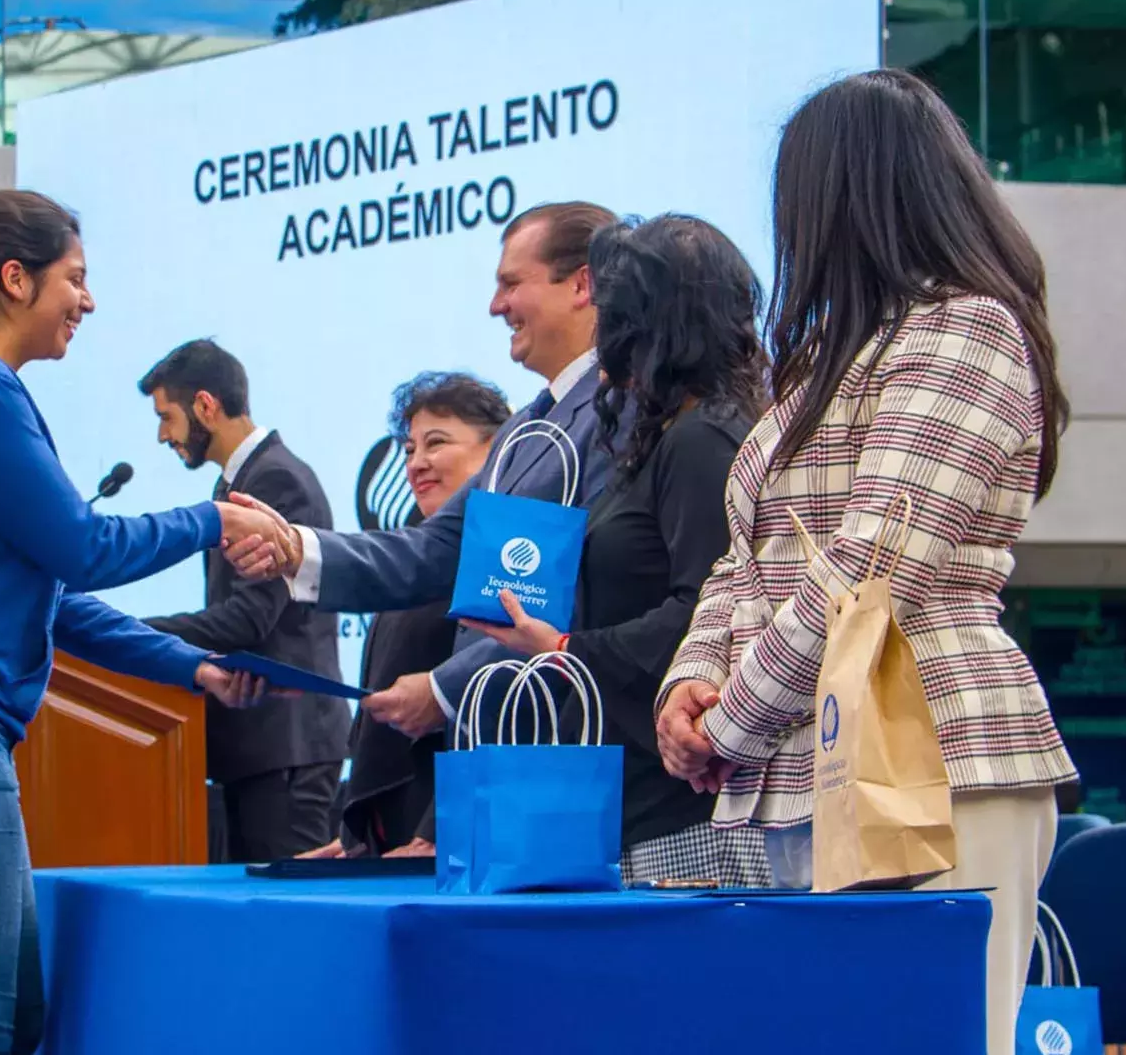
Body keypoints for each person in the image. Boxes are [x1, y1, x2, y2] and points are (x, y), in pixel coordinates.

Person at [653, 69, 1075, 1055]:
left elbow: (873, 567)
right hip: (794, 770)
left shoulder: (968, 327)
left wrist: (733, 719)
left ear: (845, 197)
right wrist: (695, 679)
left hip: (939, 758)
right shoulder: (817, 367)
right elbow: (743, 561)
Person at [0, 188, 285, 1055]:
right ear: (15, 279)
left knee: (19, 1017)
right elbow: (81, 547)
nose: (89, 299)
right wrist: (213, 518)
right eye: (76, 278)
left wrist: (193, 669)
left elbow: (54, 595)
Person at [227, 201, 623, 743]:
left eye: (510, 283)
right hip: (499, 747)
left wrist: (445, 689)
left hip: (571, 744)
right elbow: (434, 550)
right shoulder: (526, 427)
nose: (495, 305)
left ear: (581, 285)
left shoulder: (620, 409)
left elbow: (585, 589)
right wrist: (296, 547)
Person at [457, 214, 773, 886]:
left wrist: (567, 651)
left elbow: (706, 612)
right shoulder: (671, 432)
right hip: (634, 794)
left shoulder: (702, 440)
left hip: (677, 809)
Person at [138, 339, 351, 862]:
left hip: (286, 745)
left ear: (205, 405)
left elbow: (250, 618)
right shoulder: (235, 482)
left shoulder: (274, 479)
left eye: (167, 417)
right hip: (259, 746)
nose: (163, 434)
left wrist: (132, 634)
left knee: (292, 926)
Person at [299, 372, 510, 860]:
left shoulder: (504, 551)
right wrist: (354, 834)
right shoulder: (413, 559)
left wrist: (442, 828)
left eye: (436, 443)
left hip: (449, 835)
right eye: (410, 448)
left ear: (498, 447)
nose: (416, 464)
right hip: (390, 836)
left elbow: (501, 700)